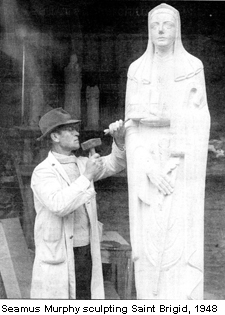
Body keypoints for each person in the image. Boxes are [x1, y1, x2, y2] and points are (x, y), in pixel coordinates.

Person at [125, 3, 210, 299]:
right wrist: (147, 168)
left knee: (179, 237)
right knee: (149, 246)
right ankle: (151, 300)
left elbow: (201, 118)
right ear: (148, 31)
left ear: (177, 30)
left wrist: (173, 126)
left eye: (167, 25)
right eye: (154, 25)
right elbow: (130, 126)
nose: (161, 30)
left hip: (180, 167)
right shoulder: (137, 70)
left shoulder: (191, 67)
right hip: (146, 168)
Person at [30, 107, 126, 299]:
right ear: (55, 137)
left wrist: (119, 141)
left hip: (86, 250)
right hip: (61, 253)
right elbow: (59, 205)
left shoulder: (82, 163)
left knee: (85, 299)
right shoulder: (43, 172)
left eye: (76, 128)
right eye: (70, 129)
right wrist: (88, 175)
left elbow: (116, 164)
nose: (77, 133)